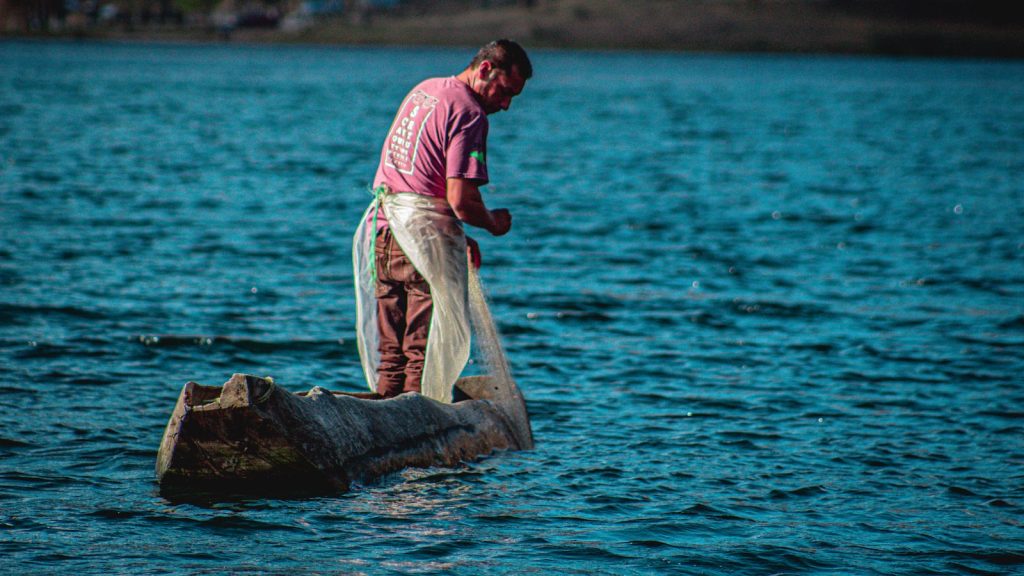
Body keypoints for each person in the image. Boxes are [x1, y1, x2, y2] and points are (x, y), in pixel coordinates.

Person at [353, 39, 532, 403]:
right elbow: (461, 201)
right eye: (504, 92)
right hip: (419, 245)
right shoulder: (470, 112)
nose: (505, 105)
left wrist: (457, 238)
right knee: (422, 355)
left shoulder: (426, 90)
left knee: (392, 358)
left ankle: (383, 417)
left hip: (382, 234)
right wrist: (494, 223)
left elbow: (416, 182)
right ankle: (414, 427)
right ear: (485, 69)